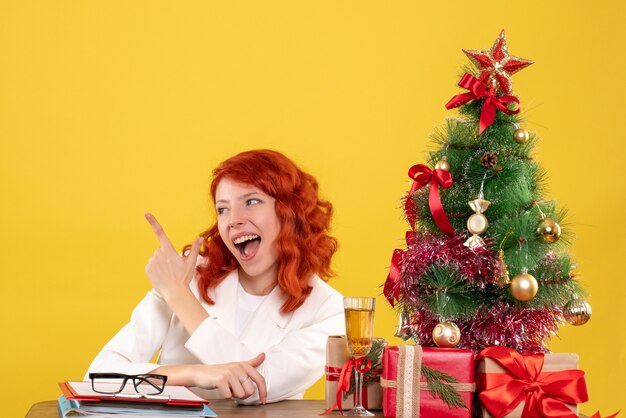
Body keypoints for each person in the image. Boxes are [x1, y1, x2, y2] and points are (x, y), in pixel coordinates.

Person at [86, 149, 345, 404]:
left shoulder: (329, 310)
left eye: (251, 202)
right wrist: (193, 373)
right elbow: (99, 376)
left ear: (291, 212)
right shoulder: (188, 273)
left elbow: (256, 386)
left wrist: (180, 297)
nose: (233, 220)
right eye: (223, 209)